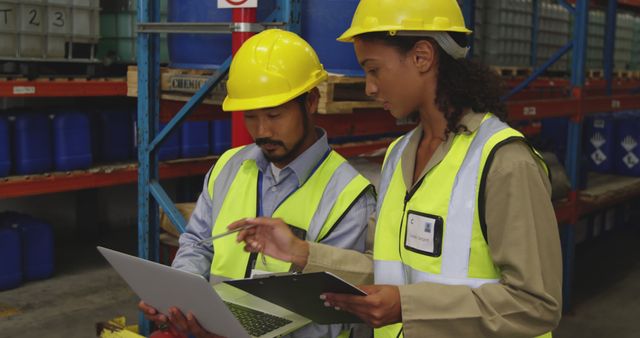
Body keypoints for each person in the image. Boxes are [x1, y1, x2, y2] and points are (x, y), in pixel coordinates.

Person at [232, 1, 563, 337]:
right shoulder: (398, 156)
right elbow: (385, 270)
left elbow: (536, 303)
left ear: (422, 56)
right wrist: (300, 253)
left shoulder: (504, 162)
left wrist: (409, 305)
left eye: (374, 69)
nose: (369, 87)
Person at [139, 29, 376, 338]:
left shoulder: (349, 197)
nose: (262, 130)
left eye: (275, 115)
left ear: (311, 101)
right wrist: (179, 302)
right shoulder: (228, 168)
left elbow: (329, 319)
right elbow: (197, 244)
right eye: (250, 116)